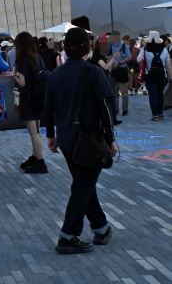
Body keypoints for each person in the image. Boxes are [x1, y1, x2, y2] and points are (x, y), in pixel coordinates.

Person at [44, 27, 118, 254]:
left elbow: (48, 108)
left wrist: (50, 135)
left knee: (84, 184)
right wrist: (111, 138)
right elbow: (106, 108)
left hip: (66, 138)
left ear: (65, 48)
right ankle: (68, 235)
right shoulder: (93, 72)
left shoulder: (56, 74)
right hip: (89, 139)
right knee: (82, 186)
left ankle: (101, 226)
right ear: (88, 47)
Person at [13, 31, 49, 174]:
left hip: (28, 98)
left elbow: (22, 82)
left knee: (33, 132)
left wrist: (16, 76)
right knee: (37, 131)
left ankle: (40, 161)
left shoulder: (22, 60)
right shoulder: (38, 57)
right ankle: (35, 156)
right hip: (39, 97)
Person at [138, 31, 170, 121]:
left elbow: (138, 60)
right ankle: (160, 114)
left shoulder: (145, 49)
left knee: (153, 95)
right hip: (162, 75)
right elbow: (167, 63)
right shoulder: (164, 50)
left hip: (150, 75)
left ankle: (155, 115)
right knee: (160, 94)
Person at [107, 31, 133, 117]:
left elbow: (129, 57)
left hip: (122, 70)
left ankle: (125, 110)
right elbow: (108, 56)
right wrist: (111, 60)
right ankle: (116, 109)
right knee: (115, 93)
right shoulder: (110, 46)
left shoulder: (123, 46)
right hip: (114, 71)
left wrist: (120, 62)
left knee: (124, 92)